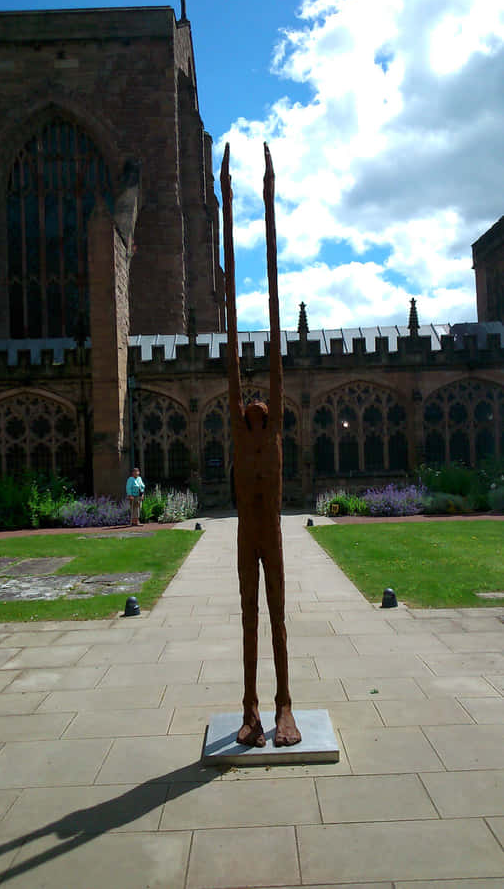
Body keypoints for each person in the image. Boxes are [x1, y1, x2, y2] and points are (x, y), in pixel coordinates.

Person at [220, 142, 301, 748]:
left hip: (270, 528)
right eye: (247, 400)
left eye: (261, 400)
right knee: (248, 616)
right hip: (245, 530)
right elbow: (232, 332)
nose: (254, 401)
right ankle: (249, 706)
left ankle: (283, 705)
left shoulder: (271, 430)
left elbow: (271, 323)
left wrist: (267, 205)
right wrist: (226, 205)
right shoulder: (234, 421)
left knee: (276, 616)